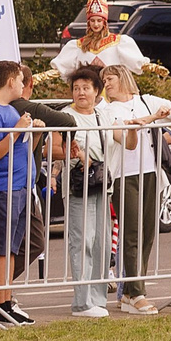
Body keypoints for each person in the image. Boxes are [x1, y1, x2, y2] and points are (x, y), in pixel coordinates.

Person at [98, 63, 171, 316]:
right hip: (123, 176)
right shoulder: (107, 110)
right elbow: (126, 137)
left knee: (147, 233)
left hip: (150, 173)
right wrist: (153, 118)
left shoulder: (145, 100)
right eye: (104, 81)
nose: (106, 84)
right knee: (131, 233)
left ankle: (130, 292)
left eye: (109, 79)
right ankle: (137, 294)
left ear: (123, 78)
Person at [0, 60, 43, 327]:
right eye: (20, 80)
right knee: (0, 248)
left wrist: (33, 133)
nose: (23, 85)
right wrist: (16, 131)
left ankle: (6, 302)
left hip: (19, 186)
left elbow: (19, 147)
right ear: (10, 81)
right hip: (2, 188)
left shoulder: (9, 109)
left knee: (11, 248)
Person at [57, 69, 113, 319]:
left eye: (86, 88)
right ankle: (82, 302)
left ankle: (98, 299)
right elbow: (52, 148)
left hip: (101, 183)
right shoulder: (65, 116)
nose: (81, 92)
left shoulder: (102, 115)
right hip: (78, 184)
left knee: (101, 242)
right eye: (76, 88)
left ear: (96, 91)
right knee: (82, 242)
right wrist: (77, 154)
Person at [53, 0, 150, 83]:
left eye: (99, 20)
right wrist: (47, 75)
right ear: (88, 22)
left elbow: (138, 63)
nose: (96, 24)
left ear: (104, 22)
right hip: (88, 90)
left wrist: (152, 67)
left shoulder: (118, 42)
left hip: (111, 89)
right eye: (92, 21)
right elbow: (62, 67)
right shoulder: (78, 45)